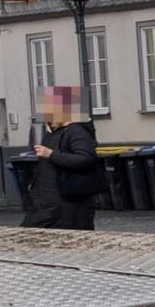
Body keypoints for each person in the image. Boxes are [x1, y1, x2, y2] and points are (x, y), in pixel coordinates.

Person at [23, 85, 100, 230]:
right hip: (47, 203)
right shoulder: (52, 132)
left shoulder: (77, 131)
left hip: (67, 206)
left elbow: (86, 159)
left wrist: (51, 154)